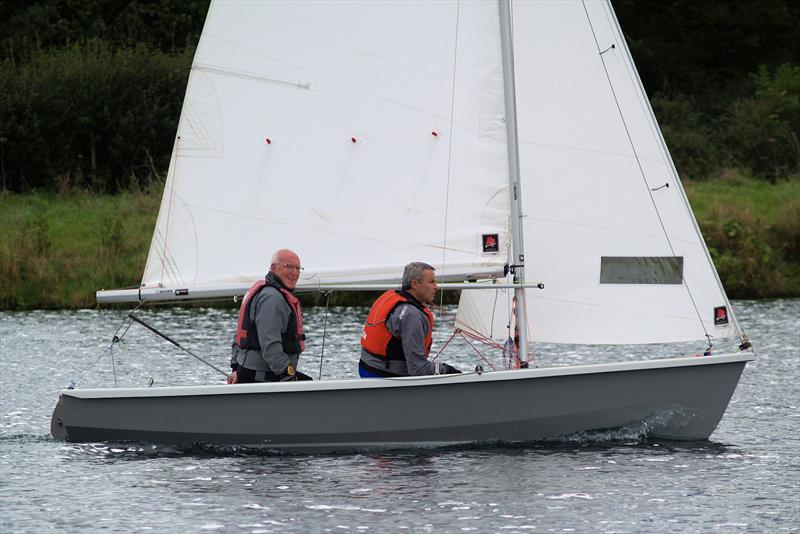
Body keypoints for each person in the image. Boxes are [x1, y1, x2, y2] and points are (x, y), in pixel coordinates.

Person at [359, 262, 461, 377]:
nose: (436, 287)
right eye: (431, 282)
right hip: (385, 376)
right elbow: (418, 370)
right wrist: (447, 370)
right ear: (415, 284)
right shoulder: (412, 315)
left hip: (367, 367)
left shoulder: (389, 297)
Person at [228, 249, 311, 383]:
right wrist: (287, 374)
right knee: (311, 394)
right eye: (288, 266)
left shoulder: (269, 293)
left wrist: (235, 368)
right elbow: (270, 345)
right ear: (273, 268)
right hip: (261, 375)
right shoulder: (272, 298)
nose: (294, 273)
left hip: (252, 371)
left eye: (297, 268)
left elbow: (239, 337)